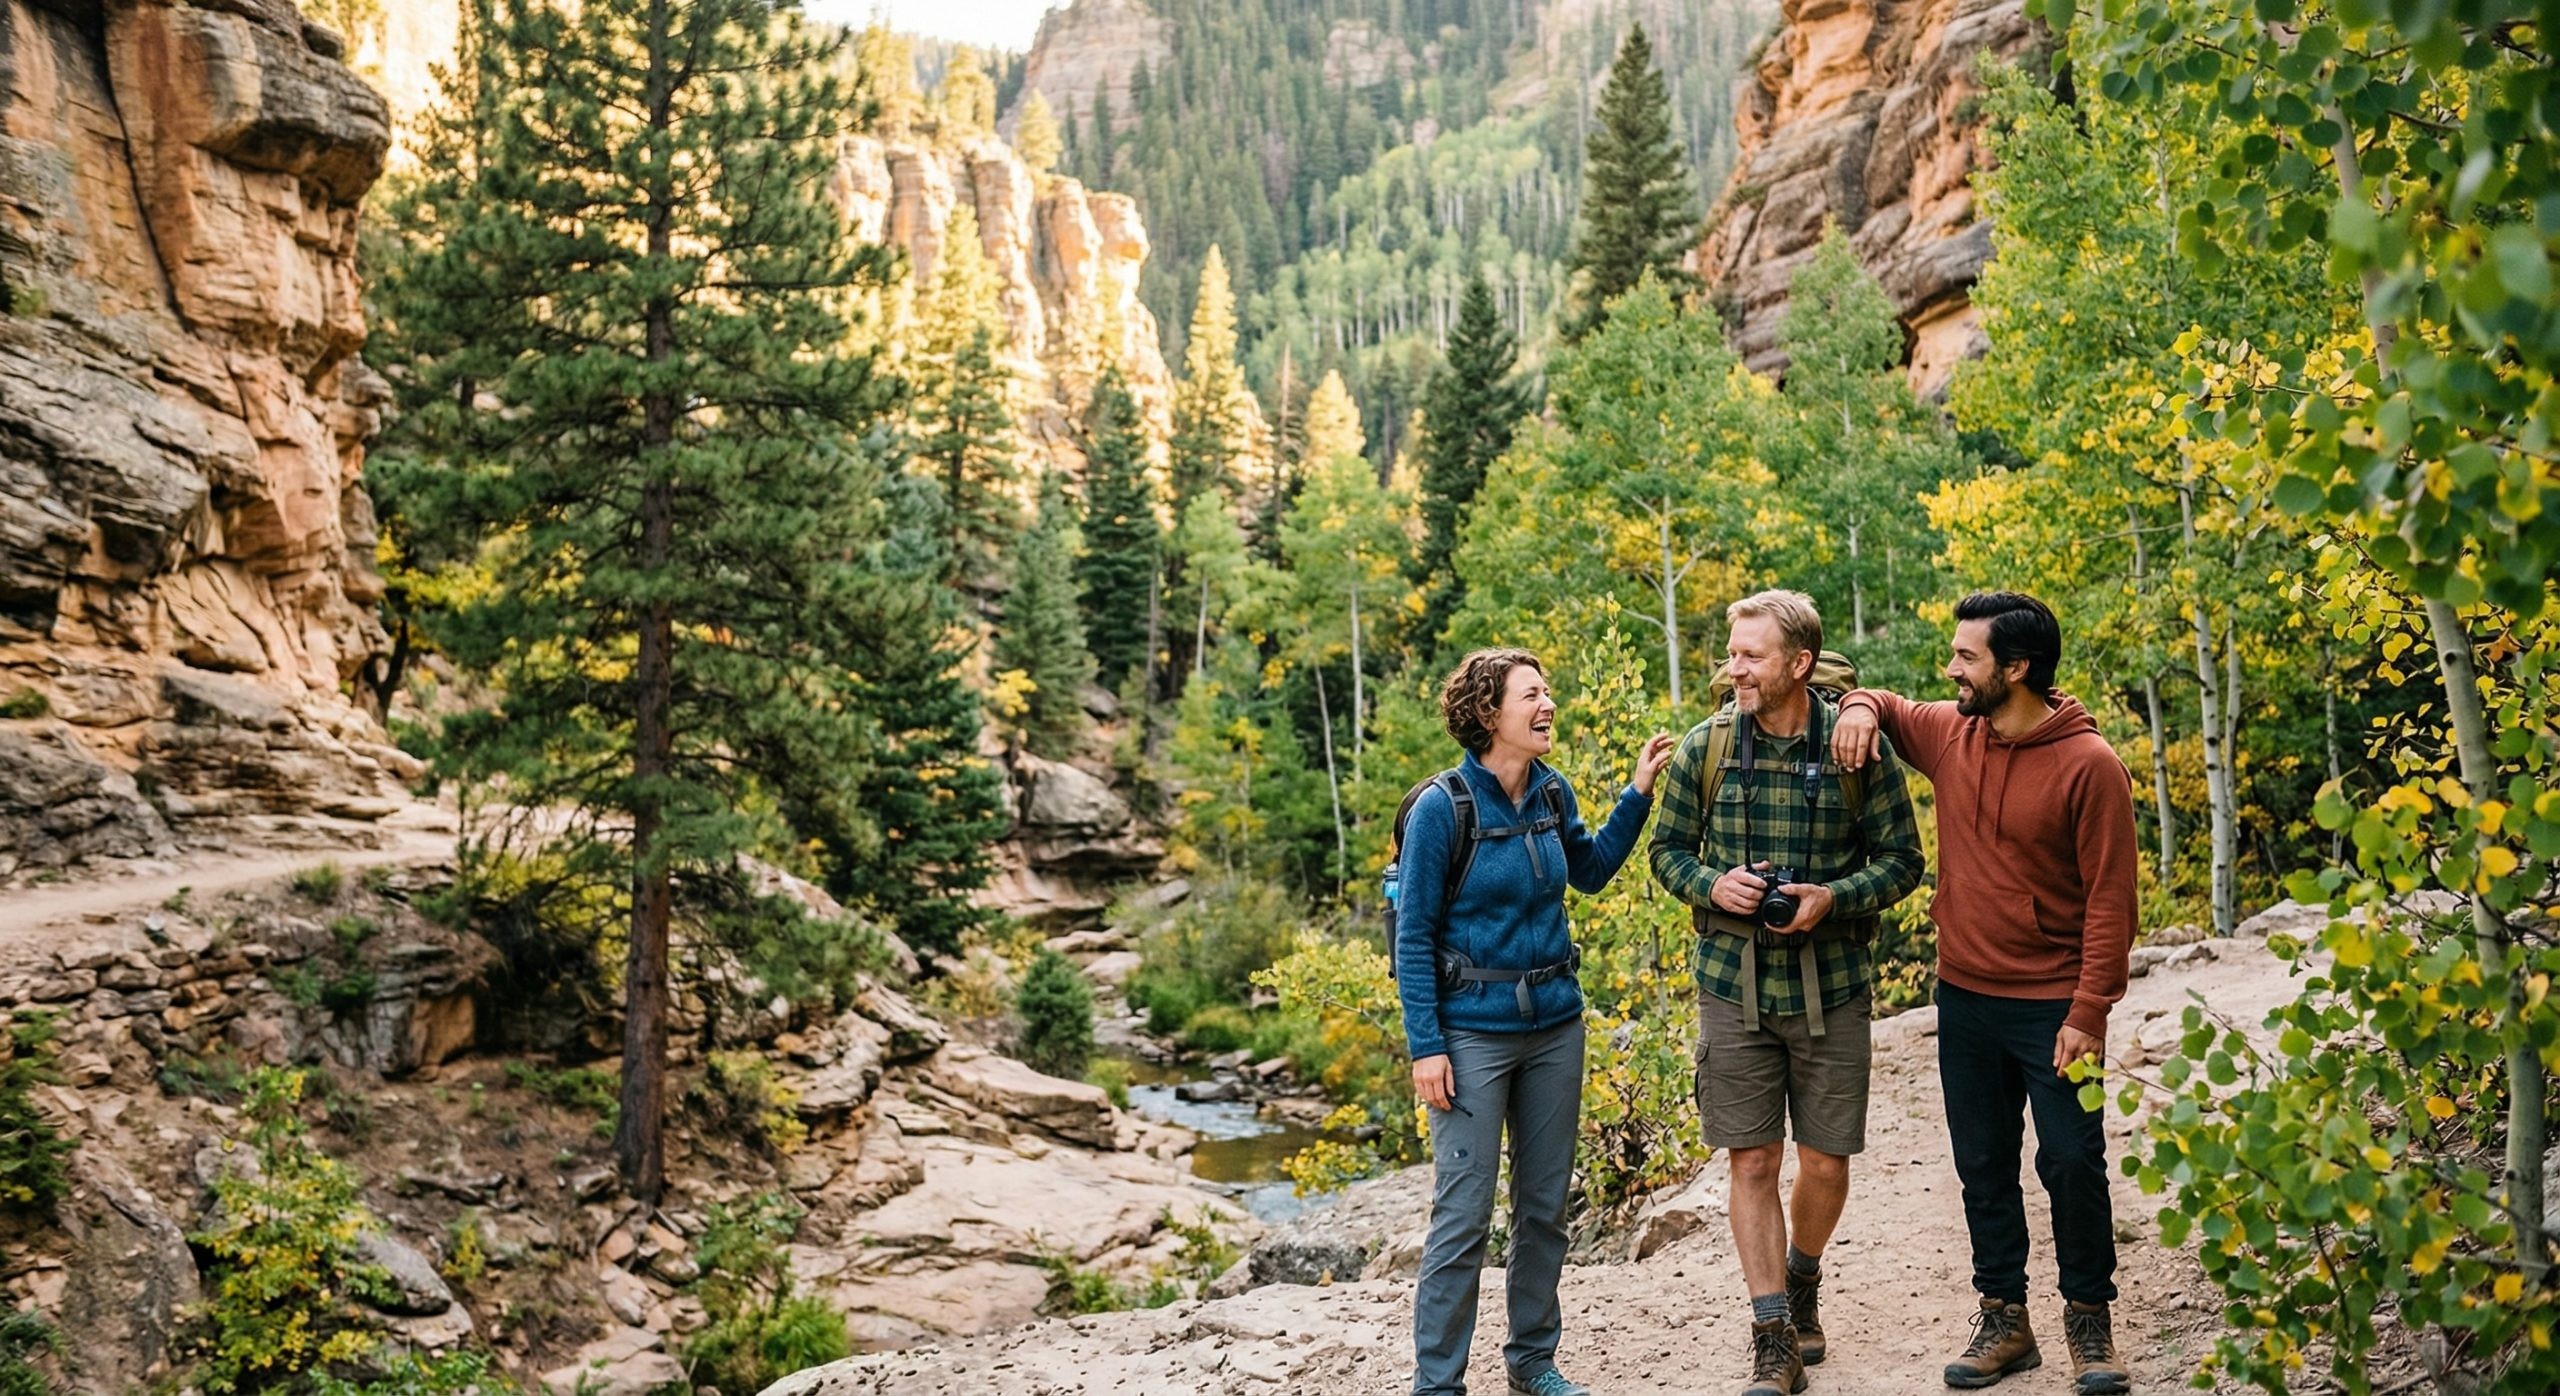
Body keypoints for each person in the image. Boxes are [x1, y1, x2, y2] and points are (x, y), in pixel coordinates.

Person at [1830, 591, 2137, 1395]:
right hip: (1964, 999)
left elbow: (2112, 901)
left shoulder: (2090, 766)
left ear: (2017, 668)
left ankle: (2090, 1324)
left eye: (1966, 657)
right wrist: (1858, 707)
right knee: (1983, 1166)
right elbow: (1886, 703)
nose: (1951, 670)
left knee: (2072, 1162)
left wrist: (2089, 1011)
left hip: (2055, 1006)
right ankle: (2005, 1320)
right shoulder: (1953, 733)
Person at [1650, 590, 1925, 1396]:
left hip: (1832, 982)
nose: (1733, 668)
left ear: (1799, 664)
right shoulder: (1705, 748)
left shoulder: (1855, 751)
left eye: (1751, 656)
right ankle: (1772, 1334)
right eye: (1731, 653)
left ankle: (1804, 1276)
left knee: (1827, 1162)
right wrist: (1712, 884)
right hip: (1730, 983)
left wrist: (1830, 898)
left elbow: (1904, 862)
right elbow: (1666, 852)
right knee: (1752, 1158)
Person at [1397, 647, 1675, 1396]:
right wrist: (1426, 1046)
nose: (1548, 704)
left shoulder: (1552, 792)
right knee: (1463, 1216)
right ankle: (1438, 1384)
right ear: (1489, 713)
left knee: (1544, 1208)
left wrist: (1637, 794)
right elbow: (1413, 937)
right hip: (1470, 1036)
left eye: (1547, 692)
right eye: (1532, 694)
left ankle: (1531, 1361)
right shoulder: (1442, 807)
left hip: (1555, 1027)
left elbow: (1590, 872)